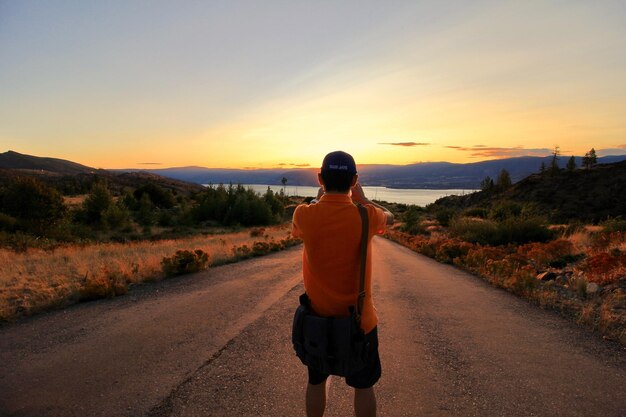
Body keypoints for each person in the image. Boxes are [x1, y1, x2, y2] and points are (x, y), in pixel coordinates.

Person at [291, 150, 394, 417]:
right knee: (364, 386)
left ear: (320, 179)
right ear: (354, 180)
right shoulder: (366, 216)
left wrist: (319, 199)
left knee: (315, 382)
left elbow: (305, 222)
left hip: (317, 322)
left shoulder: (304, 215)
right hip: (360, 323)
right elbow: (391, 218)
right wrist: (363, 199)